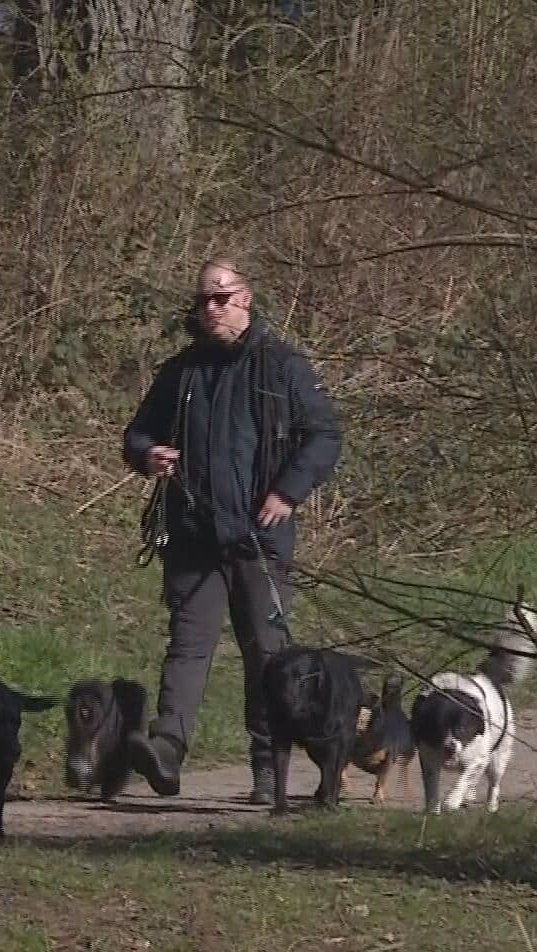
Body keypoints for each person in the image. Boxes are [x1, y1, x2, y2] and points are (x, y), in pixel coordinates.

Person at [118, 257, 344, 803]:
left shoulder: (283, 366)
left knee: (266, 654)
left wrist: (287, 491)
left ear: (246, 299)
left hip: (260, 536)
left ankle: (269, 771)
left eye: (221, 298)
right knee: (187, 646)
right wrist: (147, 454)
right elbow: (138, 433)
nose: (210, 308)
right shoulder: (183, 370)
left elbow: (324, 435)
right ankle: (166, 750)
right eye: (203, 300)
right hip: (194, 531)